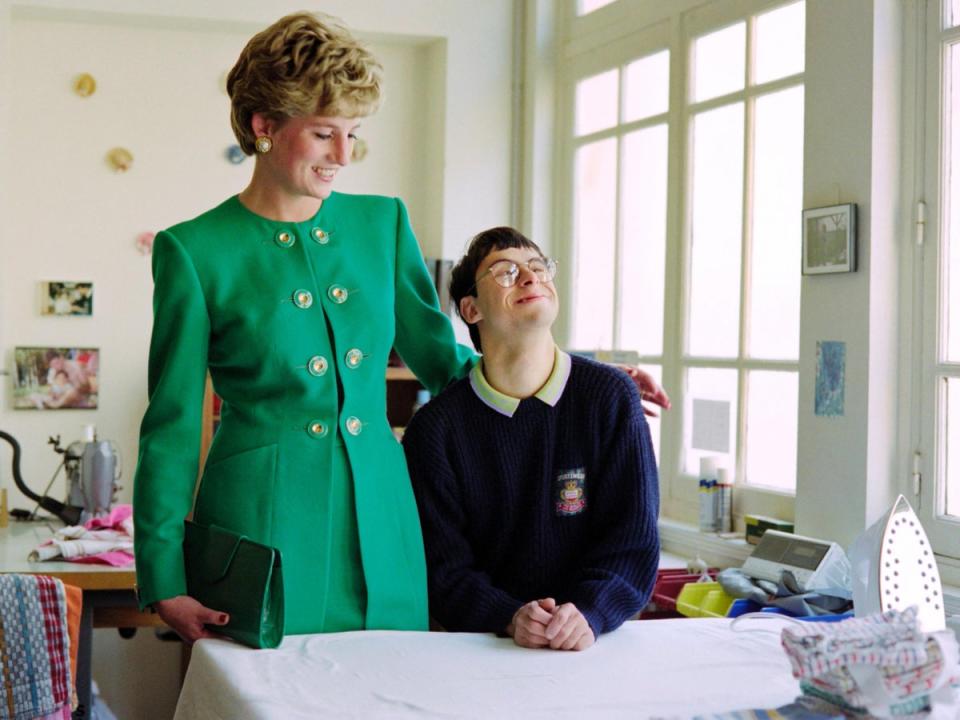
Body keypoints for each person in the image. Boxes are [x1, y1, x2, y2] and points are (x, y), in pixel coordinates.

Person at [133, 12, 668, 645]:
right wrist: (163, 579)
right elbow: (169, 426)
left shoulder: (382, 224)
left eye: (353, 134)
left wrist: (580, 379)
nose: (343, 155)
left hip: (385, 514)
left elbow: (449, 362)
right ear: (264, 127)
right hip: (259, 524)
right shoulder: (194, 250)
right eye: (325, 134)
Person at [403, 227, 661, 652]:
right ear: (471, 309)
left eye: (538, 267)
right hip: (484, 652)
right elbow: (443, 569)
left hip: (597, 648)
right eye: (505, 272)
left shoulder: (610, 398)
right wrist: (509, 616)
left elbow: (632, 542)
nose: (530, 277)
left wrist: (589, 612)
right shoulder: (435, 430)